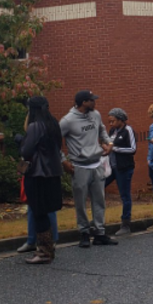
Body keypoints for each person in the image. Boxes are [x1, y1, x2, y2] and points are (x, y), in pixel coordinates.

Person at [60, 90, 118, 247]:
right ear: (84, 102)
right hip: (79, 167)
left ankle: (100, 233)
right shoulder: (67, 121)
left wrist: (108, 142)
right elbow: (54, 141)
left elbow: (102, 129)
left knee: (99, 201)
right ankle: (84, 233)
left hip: (97, 164)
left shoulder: (96, 115)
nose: (95, 102)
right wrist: (63, 161)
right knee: (80, 203)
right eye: (92, 100)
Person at [16, 96, 64, 264]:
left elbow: (26, 150)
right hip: (52, 173)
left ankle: (44, 252)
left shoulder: (35, 126)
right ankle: (48, 248)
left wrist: (20, 141)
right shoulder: (53, 124)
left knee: (38, 213)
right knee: (45, 212)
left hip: (37, 174)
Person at [104, 108, 137, 236]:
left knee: (125, 195)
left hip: (124, 168)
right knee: (98, 185)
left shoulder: (128, 130)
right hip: (112, 167)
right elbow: (108, 143)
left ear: (121, 120)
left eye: (112, 121)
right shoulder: (112, 131)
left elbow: (133, 149)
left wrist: (115, 149)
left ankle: (126, 224)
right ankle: (98, 220)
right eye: (109, 122)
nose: (110, 124)